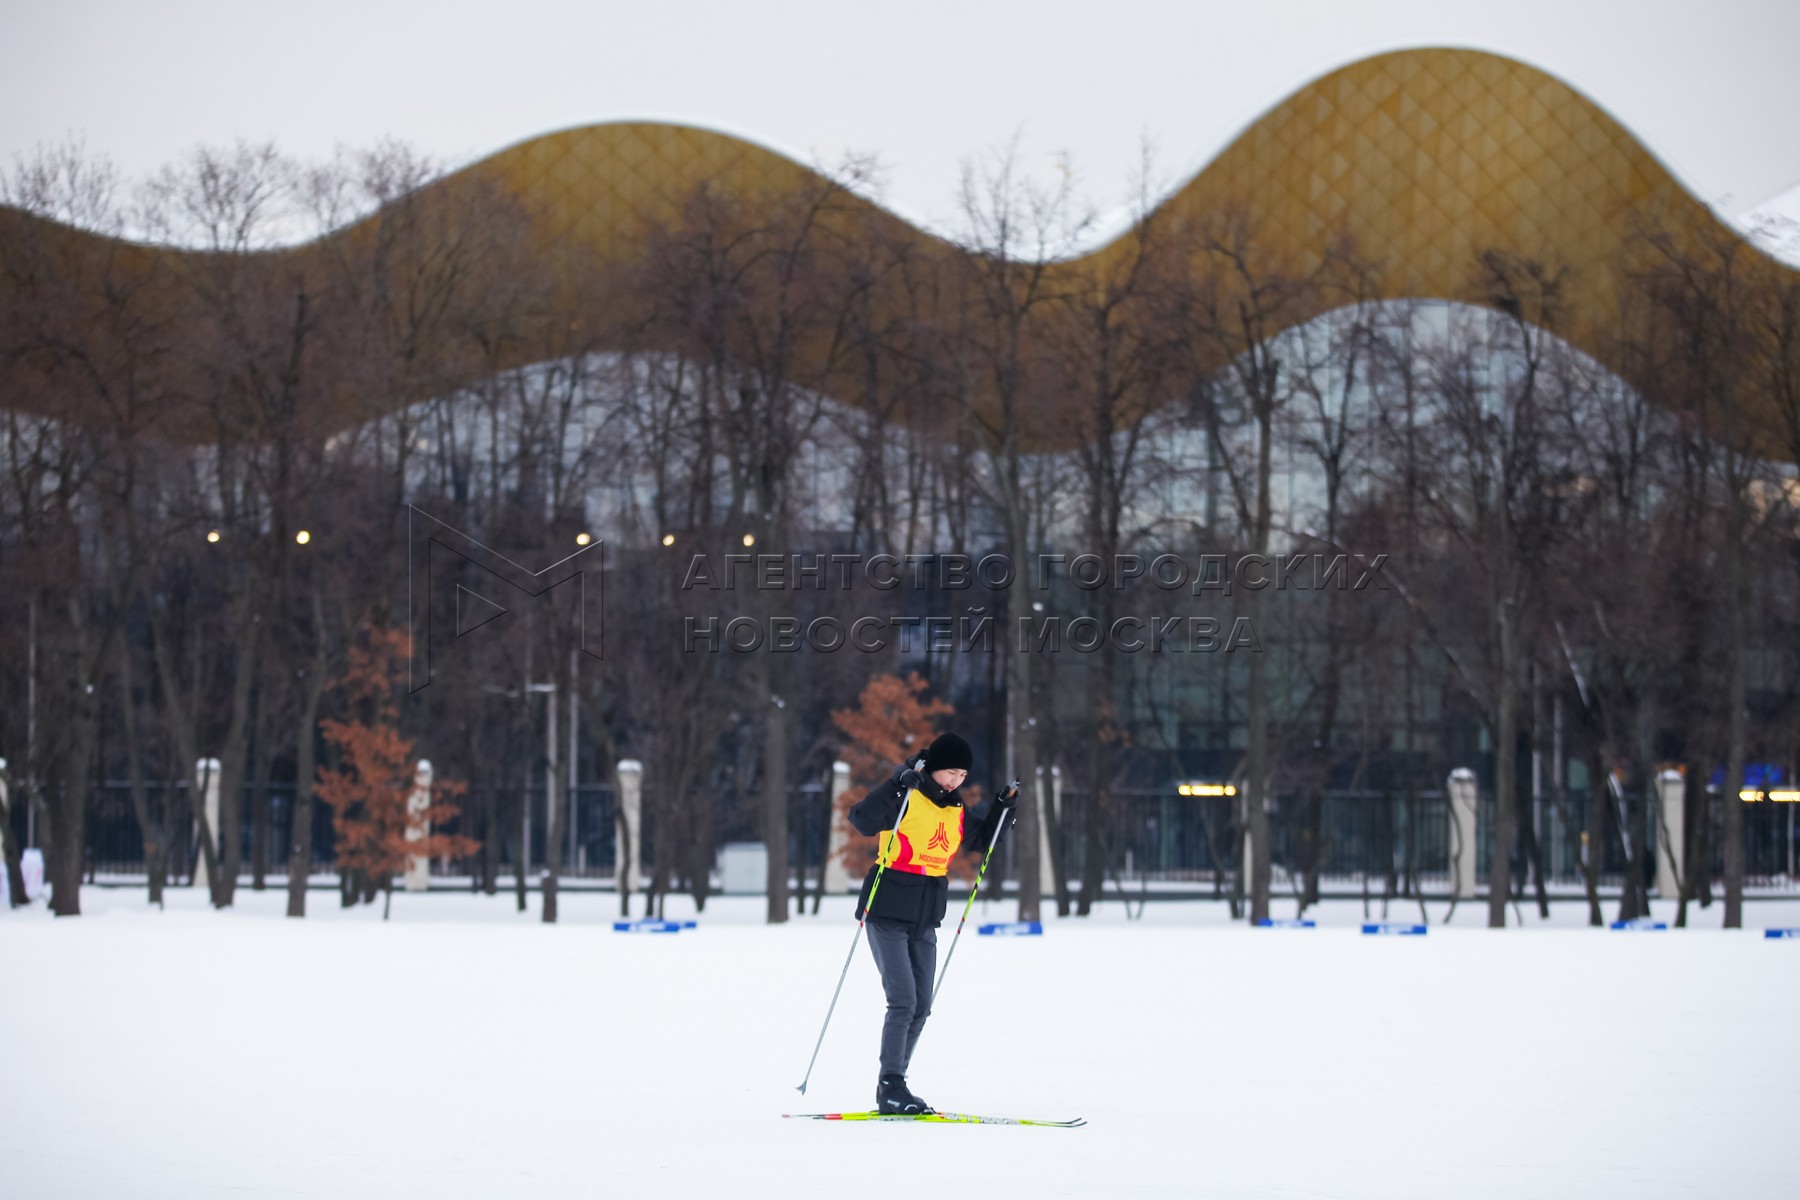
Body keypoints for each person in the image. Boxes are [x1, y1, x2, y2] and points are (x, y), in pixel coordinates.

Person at [848, 731, 1017, 1115]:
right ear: (934, 768)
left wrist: (1003, 809)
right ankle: (890, 1085)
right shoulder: (907, 795)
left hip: (924, 917)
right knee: (903, 1000)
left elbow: (983, 840)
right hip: (887, 909)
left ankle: (895, 1083)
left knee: (922, 1005)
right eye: (949, 772)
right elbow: (861, 819)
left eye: (961, 774)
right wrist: (895, 784)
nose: (955, 781)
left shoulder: (954, 807)